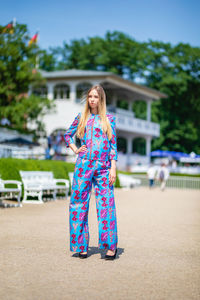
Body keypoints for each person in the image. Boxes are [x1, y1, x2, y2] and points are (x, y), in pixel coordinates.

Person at [64, 85, 118, 260]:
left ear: (101, 99)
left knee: (106, 204)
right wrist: (75, 149)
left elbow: (113, 146)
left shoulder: (109, 119)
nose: (92, 99)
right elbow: (67, 135)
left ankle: (110, 247)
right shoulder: (82, 117)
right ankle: (81, 246)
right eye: (90, 96)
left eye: (95, 96)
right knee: (78, 204)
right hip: (84, 165)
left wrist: (113, 167)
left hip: (103, 168)